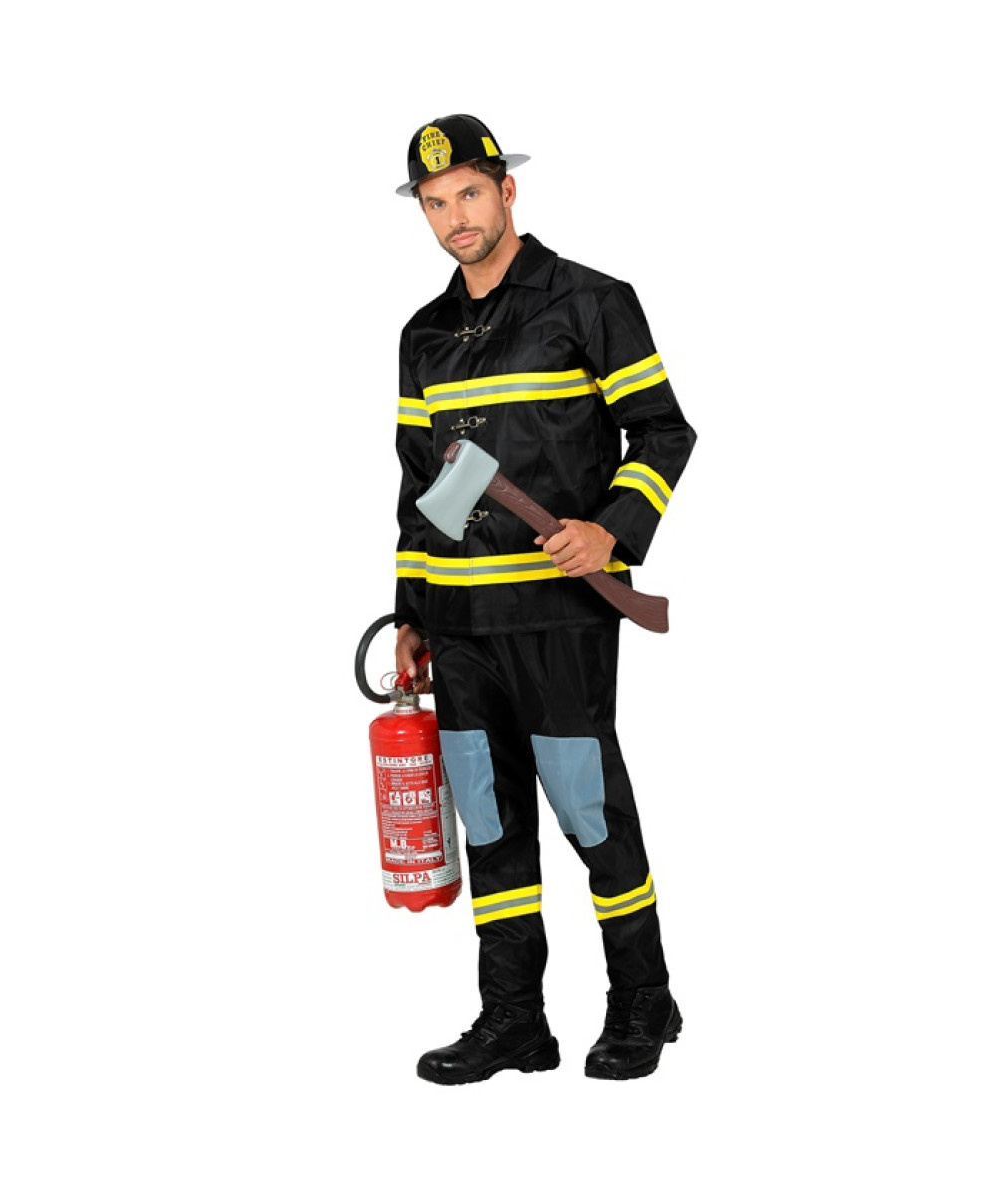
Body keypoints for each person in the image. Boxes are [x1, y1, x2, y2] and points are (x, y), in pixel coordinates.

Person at [389, 114, 696, 1083]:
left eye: (469, 194)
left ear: (507, 190)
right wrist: (409, 611)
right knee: (488, 822)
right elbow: (420, 486)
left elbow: (664, 431)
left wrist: (613, 528)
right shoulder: (424, 336)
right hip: (458, 626)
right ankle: (513, 1019)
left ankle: (643, 999)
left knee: (588, 812)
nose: (454, 218)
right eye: (434, 203)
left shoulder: (592, 303)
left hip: (560, 616)